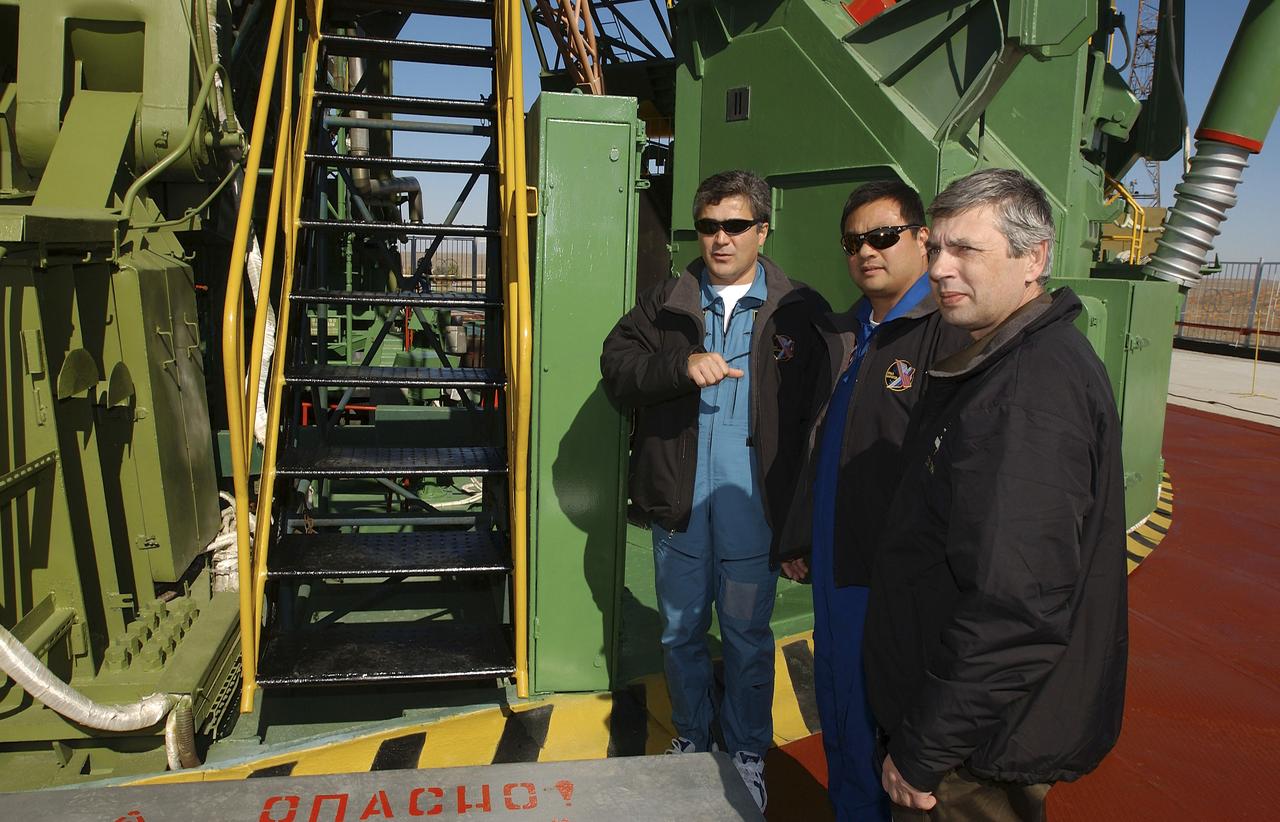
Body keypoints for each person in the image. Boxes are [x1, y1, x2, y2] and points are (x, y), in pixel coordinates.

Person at [865, 168, 1128, 821]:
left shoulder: (1029, 392)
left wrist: (924, 748)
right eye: (937, 250)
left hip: (969, 756)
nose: (941, 270)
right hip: (971, 732)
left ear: (1034, 258)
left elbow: (1018, 605)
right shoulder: (1002, 362)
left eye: (967, 251)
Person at [600, 169, 829, 812]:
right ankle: (696, 741)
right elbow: (617, 367)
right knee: (679, 632)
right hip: (679, 505)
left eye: (734, 226)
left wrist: (800, 523)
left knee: (748, 634)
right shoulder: (667, 301)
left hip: (753, 511)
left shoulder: (799, 312)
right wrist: (679, 365)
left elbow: (820, 417)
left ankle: (748, 752)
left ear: (762, 229)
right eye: (708, 227)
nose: (720, 239)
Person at [776, 180, 969, 821]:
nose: (867, 251)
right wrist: (801, 534)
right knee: (839, 710)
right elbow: (819, 440)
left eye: (884, 236)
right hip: (836, 562)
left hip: (896, 577)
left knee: (889, 725)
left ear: (922, 239)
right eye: (854, 241)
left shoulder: (946, 333)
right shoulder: (846, 331)